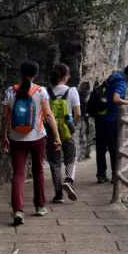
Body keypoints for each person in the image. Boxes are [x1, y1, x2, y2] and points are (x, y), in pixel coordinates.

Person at [1, 60, 61, 225]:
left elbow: (5, 116)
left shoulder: (10, 91)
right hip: (38, 137)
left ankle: (18, 210)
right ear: (35, 74)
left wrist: (4, 136)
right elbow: (48, 114)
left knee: (18, 174)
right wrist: (56, 136)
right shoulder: (41, 91)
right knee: (38, 171)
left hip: (16, 138)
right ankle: (40, 206)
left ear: (20, 73)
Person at [94, 62, 128, 184]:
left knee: (101, 147)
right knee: (114, 147)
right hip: (110, 118)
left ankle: (101, 175)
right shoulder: (122, 82)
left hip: (101, 116)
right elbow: (115, 99)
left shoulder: (114, 76)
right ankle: (116, 175)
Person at [45, 63, 81, 203]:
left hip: (51, 130)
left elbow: (45, 113)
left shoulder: (46, 91)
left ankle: (58, 194)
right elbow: (77, 113)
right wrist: (73, 126)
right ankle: (69, 181)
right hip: (67, 129)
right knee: (71, 158)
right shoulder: (72, 91)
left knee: (54, 162)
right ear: (65, 76)